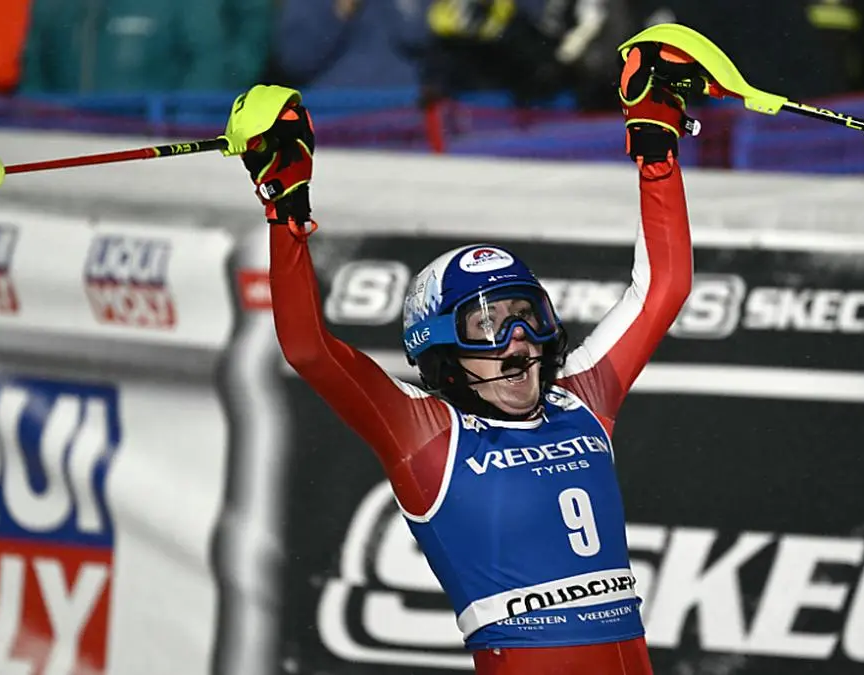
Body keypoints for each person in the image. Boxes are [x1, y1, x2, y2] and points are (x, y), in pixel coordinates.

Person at [224, 33, 716, 674]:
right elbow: (308, 350)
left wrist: (656, 144)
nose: (517, 340)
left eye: (526, 318)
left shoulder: (582, 400)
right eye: (488, 325)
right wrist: (284, 207)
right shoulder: (426, 433)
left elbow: (665, 286)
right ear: (444, 354)